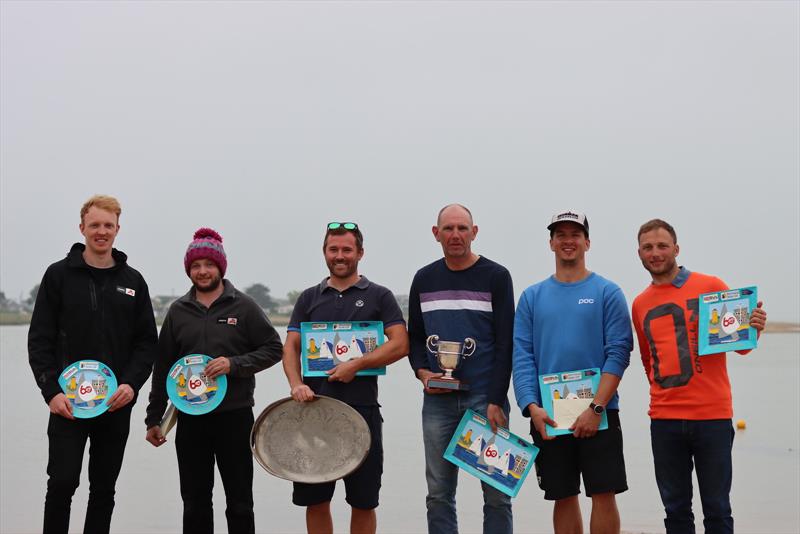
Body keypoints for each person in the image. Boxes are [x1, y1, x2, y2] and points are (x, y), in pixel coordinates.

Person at [28, 195, 158, 534]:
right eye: (95, 225)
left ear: (118, 229)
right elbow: (39, 341)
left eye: (108, 226)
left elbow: (146, 343)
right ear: (82, 227)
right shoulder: (58, 276)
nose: (102, 232)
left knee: (103, 490)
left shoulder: (134, 281)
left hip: (115, 404)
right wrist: (51, 392)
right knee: (62, 482)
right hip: (67, 405)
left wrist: (131, 384)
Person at [631, 219, 767, 534]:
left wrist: (754, 327)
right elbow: (648, 358)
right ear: (639, 253)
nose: (655, 253)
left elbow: (742, 347)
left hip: (712, 418)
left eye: (662, 245)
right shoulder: (639, 304)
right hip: (664, 421)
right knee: (675, 511)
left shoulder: (711, 286)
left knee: (718, 510)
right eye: (648, 247)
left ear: (676, 249)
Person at [144, 228, 283, 534]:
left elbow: (275, 349)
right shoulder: (178, 311)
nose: (203, 271)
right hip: (190, 419)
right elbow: (162, 366)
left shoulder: (243, 306)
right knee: (194, 502)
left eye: (209, 264)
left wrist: (235, 364)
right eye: (196, 265)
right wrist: (153, 418)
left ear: (221, 267)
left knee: (240, 503)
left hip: (235, 417)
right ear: (188, 270)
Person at [282, 221, 409, 534]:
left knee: (364, 502)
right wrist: (296, 384)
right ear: (325, 252)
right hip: (312, 415)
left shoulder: (380, 296)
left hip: (362, 412)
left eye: (346, 249)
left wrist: (358, 363)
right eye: (333, 249)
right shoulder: (308, 298)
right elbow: (291, 348)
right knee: (316, 500)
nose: (340, 255)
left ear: (360, 253)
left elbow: (401, 343)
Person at [512, 210, 632, 534]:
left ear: (587, 242)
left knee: (603, 494)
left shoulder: (608, 292)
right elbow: (522, 358)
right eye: (560, 235)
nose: (568, 241)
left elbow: (618, 354)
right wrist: (531, 408)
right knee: (563, 496)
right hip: (549, 417)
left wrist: (596, 408)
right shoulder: (531, 297)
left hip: (600, 412)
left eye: (575, 234)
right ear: (551, 243)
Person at [407, 204, 515, 534]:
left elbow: (505, 343)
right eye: (449, 228)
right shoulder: (424, 279)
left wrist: (497, 399)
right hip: (438, 404)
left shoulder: (497, 276)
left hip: (486, 400)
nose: (456, 235)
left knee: (497, 494)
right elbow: (415, 341)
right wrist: (424, 374)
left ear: (474, 232)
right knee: (438, 494)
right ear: (436, 233)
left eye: (462, 228)